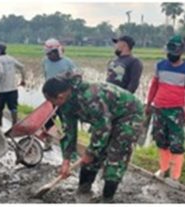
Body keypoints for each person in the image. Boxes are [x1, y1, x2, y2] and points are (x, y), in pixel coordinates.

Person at [42, 72, 143, 203]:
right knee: (91, 156)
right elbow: (69, 132)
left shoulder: (90, 97)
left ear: (60, 96)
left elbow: (103, 128)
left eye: (51, 100)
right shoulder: (65, 104)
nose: (51, 104)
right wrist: (66, 160)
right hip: (106, 117)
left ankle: (107, 198)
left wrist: (91, 151)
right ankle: (83, 188)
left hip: (128, 115)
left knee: (115, 155)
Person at [145, 35, 185, 182]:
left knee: (177, 143)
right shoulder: (160, 65)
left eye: (174, 53)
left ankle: (174, 177)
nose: (170, 55)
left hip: (177, 110)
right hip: (159, 108)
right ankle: (164, 169)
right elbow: (154, 85)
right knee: (161, 141)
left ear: (181, 52)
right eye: (169, 52)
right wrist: (149, 104)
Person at [41, 38, 77, 151]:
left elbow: (75, 79)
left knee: (66, 122)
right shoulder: (45, 62)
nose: (50, 56)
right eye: (48, 54)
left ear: (58, 51)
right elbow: (46, 76)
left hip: (64, 98)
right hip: (51, 97)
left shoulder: (68, 63)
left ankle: (69, 147)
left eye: (52, 53)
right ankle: (48, 142)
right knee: (47, 121)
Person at [0, 42, 25, 126]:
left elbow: (0, 72)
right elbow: (22, 67)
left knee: (0, 107)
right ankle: (14, 123)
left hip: (2, 89)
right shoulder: (11, 58)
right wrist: (23, 80)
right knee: (13, 107)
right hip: (13, 88)